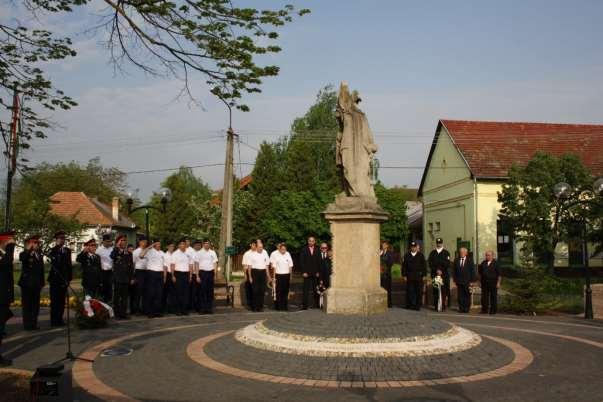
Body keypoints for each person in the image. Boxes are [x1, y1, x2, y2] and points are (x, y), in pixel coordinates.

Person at [18, 235, 44, 330]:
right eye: (35, 243)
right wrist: (28, 250)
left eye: (38, 243)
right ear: (30, 244)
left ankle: (34, 323)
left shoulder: (39, 254)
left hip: (37, 284)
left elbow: (41, 270)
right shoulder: (24, 253)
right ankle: (27, 325)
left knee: (35, 305)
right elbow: (23, 258)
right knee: (27, 305)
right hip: (27, 284)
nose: (38, 245)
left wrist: (42, 282)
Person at [47, 231, 72, 327]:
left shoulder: (67, 251)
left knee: (61, 301)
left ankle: (60, 319)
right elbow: (56, 264)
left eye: (63, 238)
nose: (62, 240)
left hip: (64, 279)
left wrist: (69, 278)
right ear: (56, 240)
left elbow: (69, 266)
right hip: (55, 279)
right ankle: (54, 321)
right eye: (60, 238)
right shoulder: (52, 250)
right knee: (55, 301)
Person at [0, 231, 16, 366]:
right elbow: (6, 263)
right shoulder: (3, 254)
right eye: (10, 240)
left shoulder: (4, 254)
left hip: (4, 296)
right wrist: (10, 249)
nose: (13, 243)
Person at [111, 234, 134, 319]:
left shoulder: (128, 253)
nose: (124, 242)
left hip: (126, 278)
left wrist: (131, 278)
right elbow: (112, 256)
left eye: (125, 240)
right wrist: (117, 247)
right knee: (117, 298)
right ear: (118, 242)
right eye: (122, 240)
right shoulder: (115, 251)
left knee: (125, 298)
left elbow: (131, 267)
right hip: (117, 278)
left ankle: (123, 314)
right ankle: (117, 314)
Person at [194, 240, 218, 314]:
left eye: (208, 243)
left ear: (210, 244)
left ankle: (209, 308)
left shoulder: (213, 252)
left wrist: (215, 274)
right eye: (205, 243)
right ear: (203, 244)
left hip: (210, 273)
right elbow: (196, 265)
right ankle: (202, 309)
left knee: (210, 292)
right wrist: (197, 276)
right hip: (202, 273)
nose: (207, 245)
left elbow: (215, 263)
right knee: (202, 291)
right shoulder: (199, 253)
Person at [402, 241, 427, 311]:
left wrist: (424, 275)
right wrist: (404, 275)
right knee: (410, 291)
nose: (413, 248)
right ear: (411, 248)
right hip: (409, 276)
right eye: (412, 247)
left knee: (418, 291)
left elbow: (424, 266)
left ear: (416, 247)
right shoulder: (407, 255)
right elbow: (404, 266)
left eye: (414, 247)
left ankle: (417, 305)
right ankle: (410, 304)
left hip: (418, 276)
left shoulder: (420, 255)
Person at [428, 238, 451, 311]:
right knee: (436, 291)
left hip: (443, 275)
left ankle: (442, 306)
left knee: (443, 291)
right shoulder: (432, 253)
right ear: (436, 243)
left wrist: (441, 270)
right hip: (435, 275)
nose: (439, 244)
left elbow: (447, 263)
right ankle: (436, 306)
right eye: (438, 243)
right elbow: (430, 263)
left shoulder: (446, 253)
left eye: (440, 243)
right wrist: (436, 270)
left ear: (442, 243)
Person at [171, 239, 193, 316]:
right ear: (178, 245)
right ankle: (178, 310)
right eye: (181, 244)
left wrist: (190, 275)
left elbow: (190, 265)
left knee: (186, 293)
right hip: (178, 274)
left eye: (184, 244)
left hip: (186, 274)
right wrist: (173, 275)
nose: (183, 245)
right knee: (178, 293)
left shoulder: (188, 253)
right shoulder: (175, 253)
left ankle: (185, 310)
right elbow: (172, 265)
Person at [145, 239, 165, 318]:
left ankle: (157, 312)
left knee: (159, 294)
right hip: (151, 273)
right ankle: (150, 312)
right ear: (154, 244)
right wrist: (149, 247)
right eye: (157, 244)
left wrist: (164, 276)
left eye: (160, 244)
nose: (159, 245)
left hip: (160, 274)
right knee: (151, 293)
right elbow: (141, 255)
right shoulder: (150, 251)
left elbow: (164, 265)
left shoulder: (162, 253)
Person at [299, 236, 321, 309]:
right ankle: (305, 305)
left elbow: (319, 261)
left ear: (314, 242)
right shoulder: (304, 249)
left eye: (312, 241)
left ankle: (316, 305)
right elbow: (301, 262)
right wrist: (303, 272)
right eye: (310, 241)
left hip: (315, 273)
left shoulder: (318, 249)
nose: (311, 242)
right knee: (306, 290)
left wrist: (318, 271)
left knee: (316, 289)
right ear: (308, 241)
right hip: (306, 273)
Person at [270, 243, 293, 311]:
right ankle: (278, 307)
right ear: (279, 249)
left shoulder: (288, 254)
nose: (284, 250)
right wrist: (274, 277)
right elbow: (274, 267)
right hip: (278, 275)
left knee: (285, 291)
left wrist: (290, 276)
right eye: (282, 249)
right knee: (279, 291)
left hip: (286, 275)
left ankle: (285, 306)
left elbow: (290, 266)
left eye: (285, 249)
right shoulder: (276, 255)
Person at [453, 247, 476, 313]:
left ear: (466, 253)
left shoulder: (470, 260)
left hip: (467, 281)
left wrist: (472, 281)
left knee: (467, 295)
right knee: (460, 296)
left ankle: (466, 308)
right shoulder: (456, 260)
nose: (461, 253)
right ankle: (461, 308)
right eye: (460, 252)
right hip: (459, 281)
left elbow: (472, 271)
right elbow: (454, 271)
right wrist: (455, 280)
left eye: (463, 252)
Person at [249, 240, 270, 312]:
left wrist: (268, 276)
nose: (261, 249)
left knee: (262, 290)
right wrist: (250, 277)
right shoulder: (252, 255)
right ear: (256, 247)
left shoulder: (265, 253)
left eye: (262, 247)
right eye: (259, 247)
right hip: (255, 272)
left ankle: (260, 307)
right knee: (255, 290)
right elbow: (249, 267)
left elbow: (267, 265)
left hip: (263, 273)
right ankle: (254, 307)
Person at [478, 251, 501, 315]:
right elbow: (480, 273)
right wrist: (479, 282)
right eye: (486, 255)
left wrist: (498, 283)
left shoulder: (496, 263)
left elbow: (499, 274)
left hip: (493, 283)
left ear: (492, 256)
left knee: (493, 297)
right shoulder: (483, 263)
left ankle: (493, 310)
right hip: (484, 283)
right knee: (484, 297)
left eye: (489, 255)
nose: (487, 256)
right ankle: (484, 310)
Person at [131, 237, 149, 315]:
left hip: (147, 272)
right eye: (143, 242)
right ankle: (136, 309)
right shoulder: (135, 252)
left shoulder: (148, 251)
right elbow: (133, 264)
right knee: (138, 291)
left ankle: (145, 308)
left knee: (146, 292)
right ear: (140, 242)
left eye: (146, 242)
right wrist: (133, 276)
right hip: (139, 272)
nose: (145, 243)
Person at [97, 234, 114, 303]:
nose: (108, 243)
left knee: (110, 289)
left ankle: (109, 303)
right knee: (103, 289)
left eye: (109, 241)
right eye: (107, 241)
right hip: (102, 272)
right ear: (103, 241)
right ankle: (103, 303)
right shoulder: (99, 250)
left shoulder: (112, 249)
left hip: (110, 272)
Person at [162, 241, 176, 314]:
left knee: (173, 292)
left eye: (173, 246)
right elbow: (164, 266)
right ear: (167, 247)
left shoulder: (175, 254)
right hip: (167, 274)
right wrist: (164, 277)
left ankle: (172, 308)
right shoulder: (164, 255)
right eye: (170, 246)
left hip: (174, 274)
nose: (172, 248)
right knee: (165, 292)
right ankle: (164, 308)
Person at [241, 241, 256, 309]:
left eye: (255, 245)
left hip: (256, 272)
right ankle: (249, 304)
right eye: (253, 245)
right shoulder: (246, 254)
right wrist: (245, 275)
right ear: (250, 245)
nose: (254, 246)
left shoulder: (258, 253)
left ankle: (255, 304)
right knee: (249, 289)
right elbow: (244, 265)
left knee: (256, 289)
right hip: (248, 271)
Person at [379, 240, 394, 308]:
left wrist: (384, 263)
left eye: (384, 245)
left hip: (387, 273)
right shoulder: (380, 252)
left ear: (387, 246)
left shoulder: (390, 253)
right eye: (382, 244)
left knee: (388, 289)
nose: (383, 246)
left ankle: (389, 304)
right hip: (381, 274)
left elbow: (391, 262)